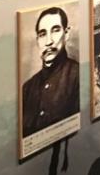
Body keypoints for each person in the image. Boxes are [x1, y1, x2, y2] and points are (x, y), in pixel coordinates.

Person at [22, 7, 80, 138]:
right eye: (42, 34)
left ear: (66, 33)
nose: (48, 42)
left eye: (55, 30)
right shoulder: (27, 88)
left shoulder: (77, 75)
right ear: (37, 40)